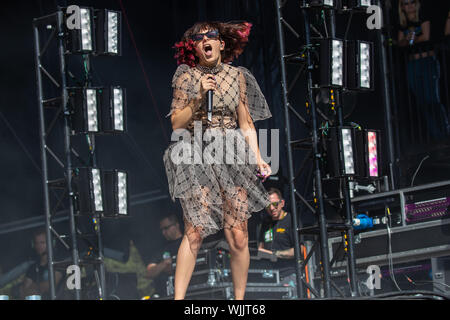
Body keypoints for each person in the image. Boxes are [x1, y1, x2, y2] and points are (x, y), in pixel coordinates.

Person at [163, 21, 272, 300]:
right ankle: (178, 300)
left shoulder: (237, 76)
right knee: (195, 231)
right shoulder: (186, 76)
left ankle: (238, 301)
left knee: (238, 235)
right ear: (195, 48)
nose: (205, 41)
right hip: (196, 150)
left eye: (210, 36)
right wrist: (199, 96)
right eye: (198, 39)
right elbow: (176, 123)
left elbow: (246, 123)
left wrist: (259, 158)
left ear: (221, 43)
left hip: (231, 153)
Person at [397, 0, 449, 140]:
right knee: (422, 101)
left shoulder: (422, 18)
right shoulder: (402, 24)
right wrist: (408, 41)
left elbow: (425, 37)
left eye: (412, 2)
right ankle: (436, 135)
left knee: (432, 98)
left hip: (427, 61)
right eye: (406, 3)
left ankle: (445, 131)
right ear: (402, 7)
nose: (410, 6)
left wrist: (410, 41)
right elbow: (400, 42)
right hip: (413, 63)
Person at [257, 188, 297, 287]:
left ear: (282, 203)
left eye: (274, 204)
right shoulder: (265, 223)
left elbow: (299, 250)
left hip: (288, 273)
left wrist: (274, 254)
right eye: (268, 206)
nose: (271, 208)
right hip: (269, 275)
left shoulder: (291, 220)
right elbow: (260, 249)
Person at [145, 214, 183, 298]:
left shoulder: (188, 243)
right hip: (168, 295)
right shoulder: (161, 250)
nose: (163, 232)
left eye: (166, 228)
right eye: (162, 230)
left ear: (176, 225)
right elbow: (149, 273)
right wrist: (165, 263)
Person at [19, 228, 63, 300]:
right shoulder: (32, 267)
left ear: (51, 243)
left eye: (42, 243)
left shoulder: (57, 263)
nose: (39, 246)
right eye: (36, 243)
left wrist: (33, 286)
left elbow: (50, 286)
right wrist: (39, 287)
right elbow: (24, 291)